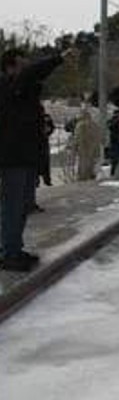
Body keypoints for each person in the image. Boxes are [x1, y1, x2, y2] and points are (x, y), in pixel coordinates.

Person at [0, 47, 73, 271]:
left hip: (27, 156)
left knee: (22, 207)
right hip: (12, 157)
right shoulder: (7, 86)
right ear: (10, 67)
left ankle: (15, 248)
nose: (26, 69)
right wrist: (58, 58)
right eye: (22, 65)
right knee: (12, 207)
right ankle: (8, 253)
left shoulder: (25, 94)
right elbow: (31, 73)